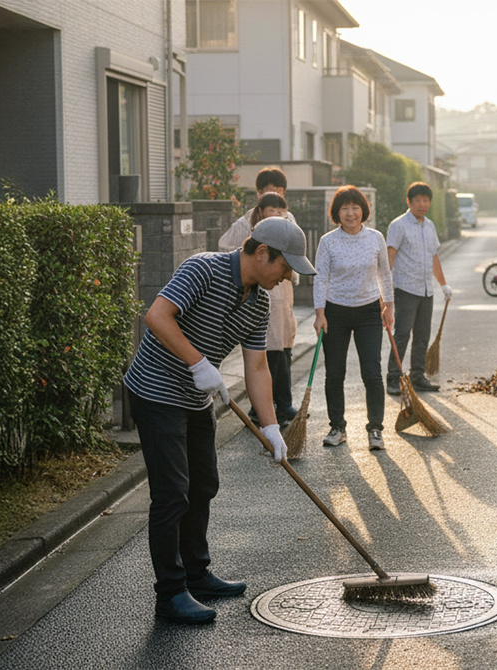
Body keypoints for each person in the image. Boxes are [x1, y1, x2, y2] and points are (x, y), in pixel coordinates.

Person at [123, 217, 316, 624]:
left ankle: (196, 572)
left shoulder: (258, 302)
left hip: (195, 398)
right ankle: (171, 593)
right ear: (262, 253)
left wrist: (271, 427)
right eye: (285, 268)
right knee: (173, 492)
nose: (286, 279)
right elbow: (157, 316)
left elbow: (258, 367)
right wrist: (198, 362)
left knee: (204, 482)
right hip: (156, 391)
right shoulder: (203, 268)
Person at [312, 186, 395, 451]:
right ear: (337, 212)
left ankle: (375, 430)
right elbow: (321, 278)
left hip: (369, 311)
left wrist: (389, 306)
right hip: (335, 311)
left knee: (371, 371)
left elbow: (384, 274)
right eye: (344, 208)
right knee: (334, 373)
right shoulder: (328, 241)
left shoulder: (375, 238)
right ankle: (337, 427)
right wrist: (319, 314)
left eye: (355, 207)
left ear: (363, 210)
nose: (350, 213)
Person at [219, 167, 300, 427]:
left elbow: (297, 254)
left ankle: (280, 406)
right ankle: (268, 409)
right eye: (268, 192)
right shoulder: (246, 222)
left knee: (284, 350)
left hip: (282, 293)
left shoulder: (290, 220)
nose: (273, 198)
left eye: (278, 193)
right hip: (259, 293)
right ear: (258, 194)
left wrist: (289, 275)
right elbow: (225, 246)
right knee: (264, 353)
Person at [385, 181, 451, 396]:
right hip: (405, 289)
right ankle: (394, 379)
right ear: (409, 202)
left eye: (425, 200)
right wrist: (385, 292)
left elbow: (434, 257)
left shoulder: (430, 225)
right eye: (417, 200)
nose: (422, 204)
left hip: (426, 290)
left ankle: (417, 377)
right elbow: (390, 257)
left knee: (423, 335)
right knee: (402, 334)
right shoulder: (399, 225)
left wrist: (443, 284)